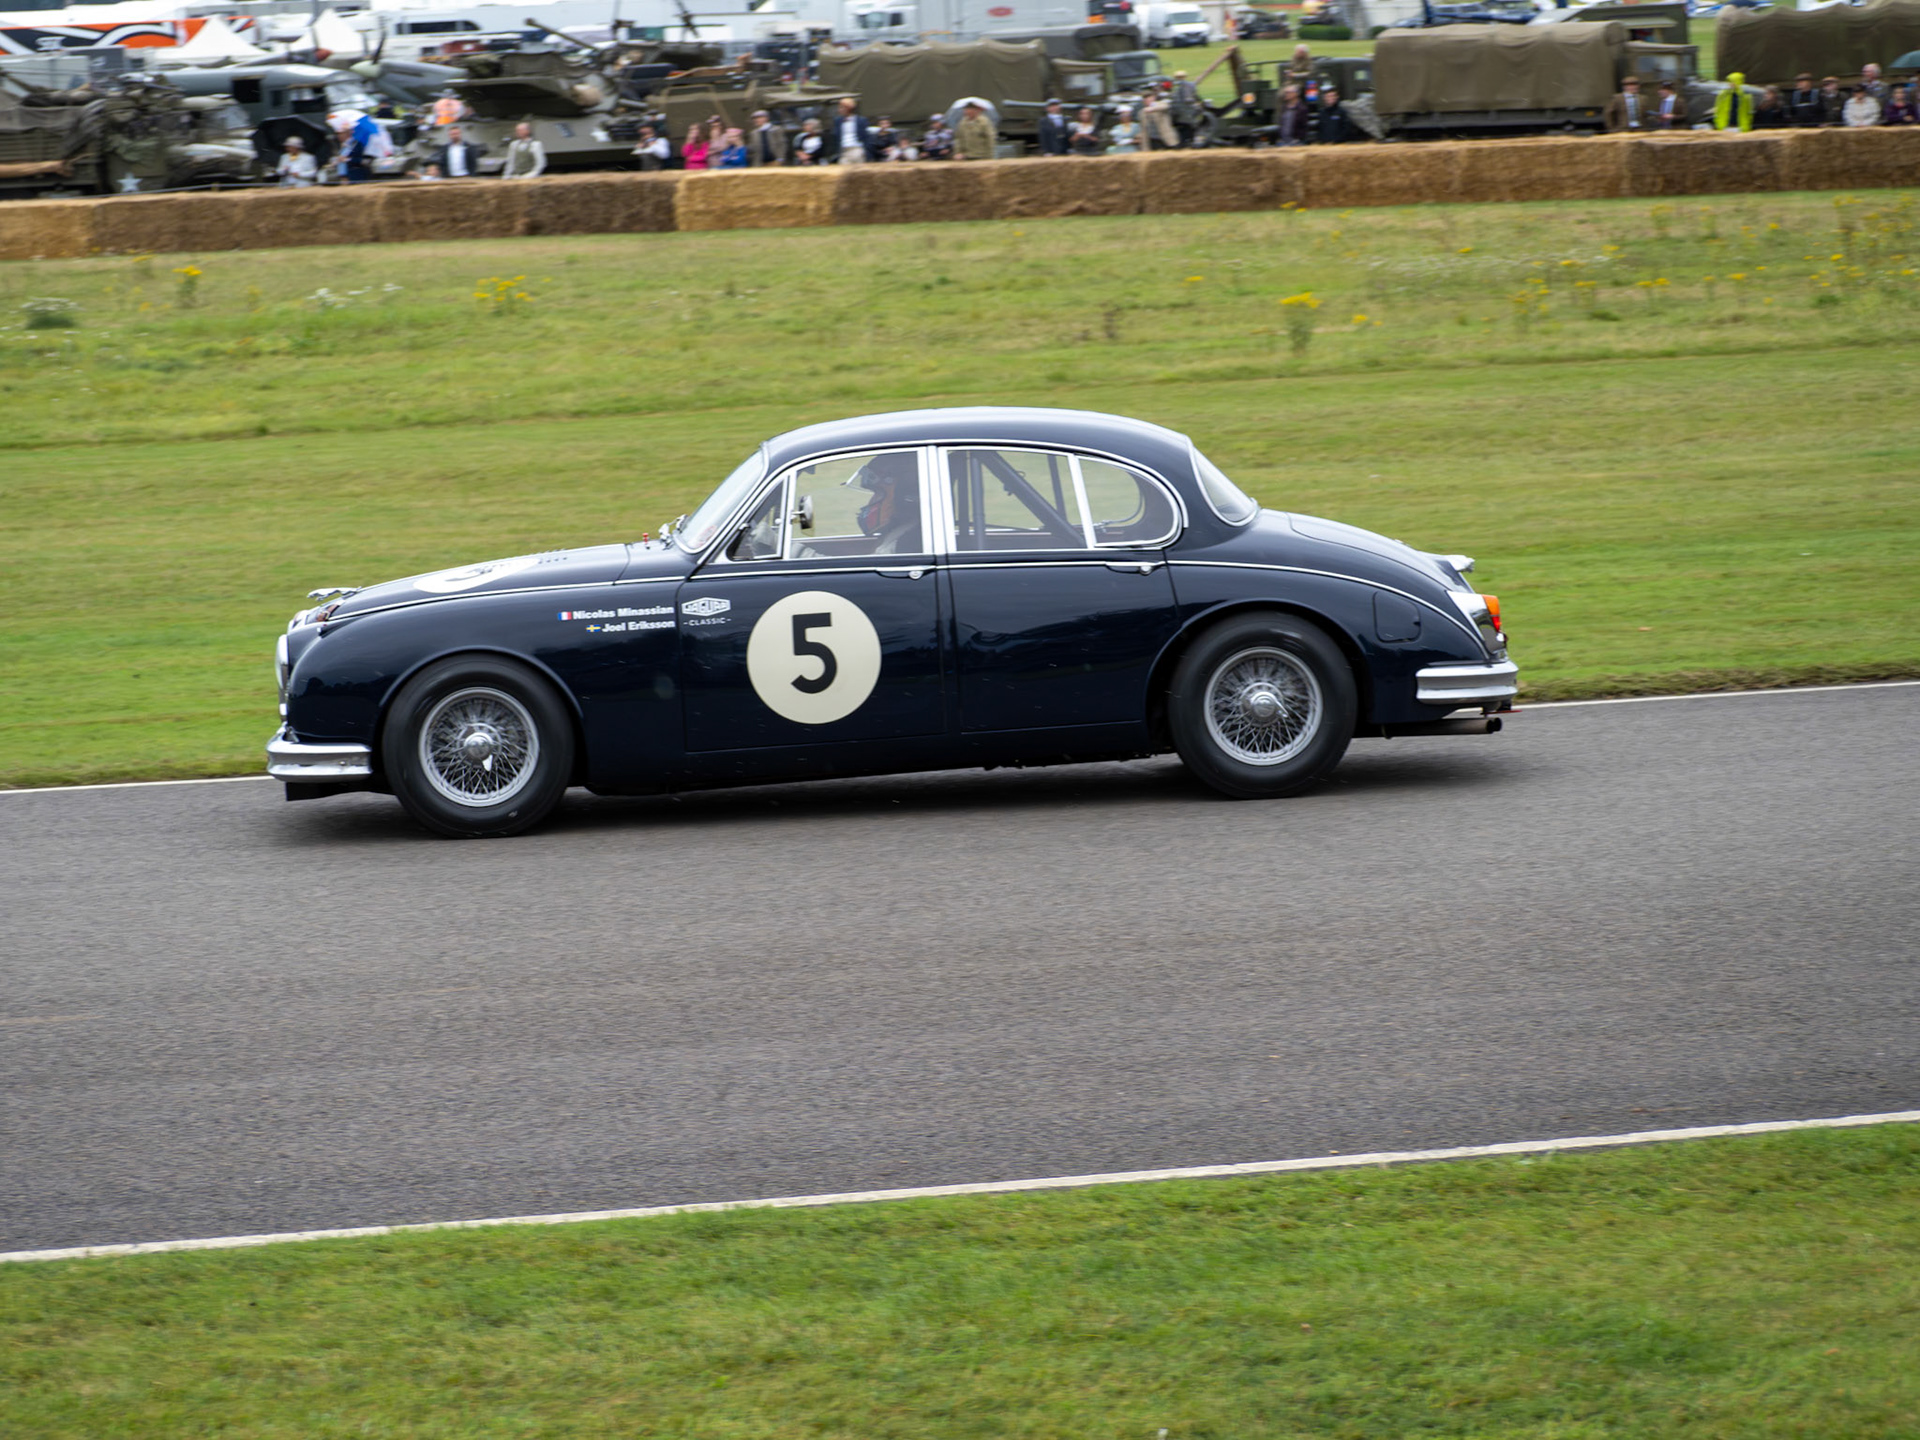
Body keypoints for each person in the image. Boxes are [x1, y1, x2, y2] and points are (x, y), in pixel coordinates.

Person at [845, 454, 921, 555]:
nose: (871, 501)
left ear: (903, 494)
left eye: (879, 493)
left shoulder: (906, 543)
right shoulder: (901, 531)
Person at [825, 97, 872, 164]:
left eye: (841, 107)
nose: (839, 110)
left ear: (848, 108)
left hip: (856, 149)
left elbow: (866, 137)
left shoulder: (861, 120)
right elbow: (835, 137)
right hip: (843, 150)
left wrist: (866, 152)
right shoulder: (837, 121)